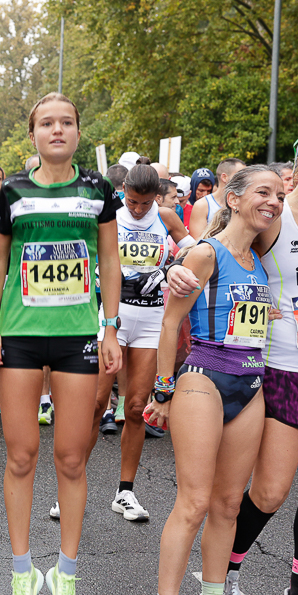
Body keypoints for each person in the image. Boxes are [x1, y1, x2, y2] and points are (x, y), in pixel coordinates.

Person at [168, 109, 298, 595]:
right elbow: (217, 245)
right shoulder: (274, 218)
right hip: (285, 370)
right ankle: (226, 582)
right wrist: (175, 267)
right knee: (268, 492)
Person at [0, 93, 123, 595]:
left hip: (77, 335)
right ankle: (22, 570)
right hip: (18, 335)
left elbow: (109, 258)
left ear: (78, 132)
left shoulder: (98, 189)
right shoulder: (13, 190)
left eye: (66, 122)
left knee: (70, 458)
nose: (57, 130)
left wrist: (110, 326)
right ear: (34, 134)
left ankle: (66, 571)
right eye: (47, 123)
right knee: (21, 456)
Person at [142, 165, 285, 595]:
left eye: (279, 195)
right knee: (194, 502)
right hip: (204, 379)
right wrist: (162, 392)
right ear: (234, 198)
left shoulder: (263, 258)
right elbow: (170, 324)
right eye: (263, 192)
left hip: (251, 382)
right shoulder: (207, 253)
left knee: (228, 504)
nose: (274, 202)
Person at [80, 165, 192, 522]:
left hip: (151, 317)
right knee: (96, 404)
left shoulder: (167, 216)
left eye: (145, 203)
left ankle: (125, 492)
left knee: (136, 407)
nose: (139, 209)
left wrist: (168, 268)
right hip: (113, 314)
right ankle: (71, 486)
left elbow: (197, 251)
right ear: (123, 191)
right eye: (132, 202)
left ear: (156, 196)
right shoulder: (110, 214)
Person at [188, 158, 245, 239]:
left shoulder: (244, 203)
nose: (245, 179)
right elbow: (198, 242)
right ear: (224, 177)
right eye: (240, 175)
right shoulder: (202, 205)